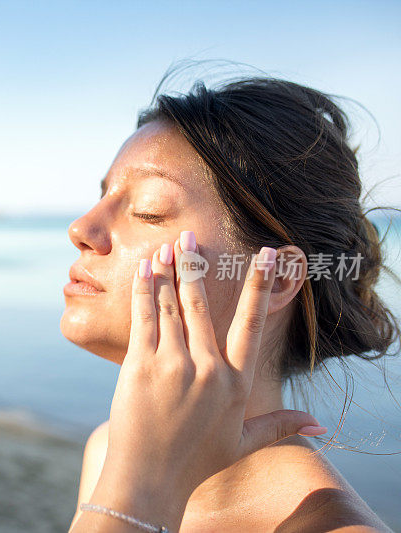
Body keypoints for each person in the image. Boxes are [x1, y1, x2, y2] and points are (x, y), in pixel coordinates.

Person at [61, 74, 397, 532]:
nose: (81, 228)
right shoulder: (111, 450)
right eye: (102, 197)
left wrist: (139, 493)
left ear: (277, 278)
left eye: (148, 209)